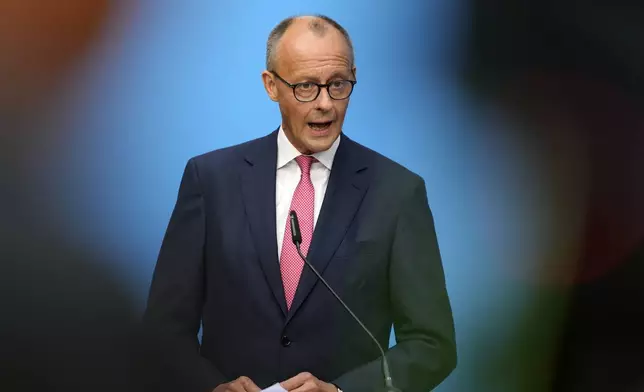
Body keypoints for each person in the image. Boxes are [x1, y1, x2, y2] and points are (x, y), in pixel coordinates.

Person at [142, 14, 456, 392]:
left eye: (338, 85)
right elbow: (163, 332)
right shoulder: (210, 180)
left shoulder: (397, 192)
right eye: (306, 86)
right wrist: (212, 387)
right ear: (271, 86)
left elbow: (432, 345)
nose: (325, 103)